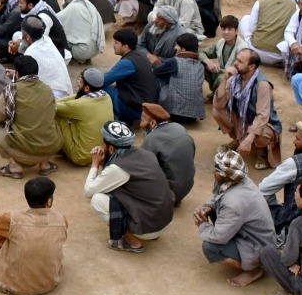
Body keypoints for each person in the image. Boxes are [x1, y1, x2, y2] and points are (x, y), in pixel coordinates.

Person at [86, 120, 174, 253]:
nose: (101, 145)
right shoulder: (145, 154)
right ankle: (148, 233)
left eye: (103, 143)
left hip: (150, 228)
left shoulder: (118, 169)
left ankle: (132, 241)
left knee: (97, 200)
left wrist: (94, 164)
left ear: (111, 148)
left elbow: (89, 191)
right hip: (163, 222)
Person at [193, 149, 277, 286]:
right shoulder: (241, 180)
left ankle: (254, 269)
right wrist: (209, 207)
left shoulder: (233, 202)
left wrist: (202, 224)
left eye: (216, 171)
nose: (214, 173)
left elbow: (218, 237)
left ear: (223, 175)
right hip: (256, 238)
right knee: (214, 211)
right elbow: (220, 197)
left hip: (258, 247)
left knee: (210, 247)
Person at [0, 177, 68, 295]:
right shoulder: (61, 220)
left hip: (12, 286)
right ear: (49, 201)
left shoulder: (13, 219)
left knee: (2, 232)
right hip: (50, 283)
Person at [0, 56, 62, 180]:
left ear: (17, 73)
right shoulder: (47, 89)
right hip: (51, 148)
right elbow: (53, 112)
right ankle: (45, 164)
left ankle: (14, 167)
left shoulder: (11, 90)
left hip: (25, 151)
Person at [213, 49, 282, 170]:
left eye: (240, 61)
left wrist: (249, 140)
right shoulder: (234, 80)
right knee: (217, 112)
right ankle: (238, 140)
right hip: (243, 120)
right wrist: (224, 78)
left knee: (261, 133)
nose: (235, 63)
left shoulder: (263, 85)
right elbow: (218, 104)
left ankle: (262, 151)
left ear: (251, 66)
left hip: (263, 124)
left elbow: (262, 117)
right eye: (236, 59)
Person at [259, 121, 302, 238]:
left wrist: (278, 206)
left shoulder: (294, 163)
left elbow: (263, 190)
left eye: (297, 139)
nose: (294, 142)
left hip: (291, 226)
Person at [139, 103, 197, 206]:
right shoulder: (179, 127)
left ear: (153, 123)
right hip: (186, 187)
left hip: (166, 194)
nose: (141, 124)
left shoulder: (152, 139)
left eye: (143, 120)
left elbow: (141, 168)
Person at [55, 68, 115, 165]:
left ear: (87, 88)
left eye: (81, 82)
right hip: (101, 153)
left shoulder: (80, 105)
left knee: (59, 115)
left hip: (81, 156)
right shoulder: (106, 96)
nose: (78, 84)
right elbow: (77, 96)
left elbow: (53, 106)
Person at [242, 0, 298, 66]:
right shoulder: (294, 5)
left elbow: (251, 29)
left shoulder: (260, 2)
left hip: (257, 52)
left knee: (245, 19)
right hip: (279, 55)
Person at [103, 28, 156, 124]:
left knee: (99, 89)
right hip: (144, 105)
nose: (113, 45)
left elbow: (103, 80)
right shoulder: (140, 57)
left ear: (125, 47)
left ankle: (117, 118)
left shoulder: (127, 63)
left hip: (136, 109)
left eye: (116, 43)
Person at [14, 16, 73, 100]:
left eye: (23, 35)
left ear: (28, 38)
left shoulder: (31, 51)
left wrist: (14, 75)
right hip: (65, 91)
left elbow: (27, 81)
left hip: (54, 97)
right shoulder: (47, 39)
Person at [153, 33, 207, 121]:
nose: (175, 48)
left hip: (175, 114)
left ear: (183, 49)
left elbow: (156, 71)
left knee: (158, 77)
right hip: (194, 115)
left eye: (177, 46)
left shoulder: (174, 62)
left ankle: (156, 108)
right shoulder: (200, 65)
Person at [56, 0, 105, 64]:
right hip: (94, 49)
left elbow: (55, 20)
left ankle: (77, 58)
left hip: (82, 51)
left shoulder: (74, 7)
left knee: (55, 39)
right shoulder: (87, 4)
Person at [202, 15, 246, 91]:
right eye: (223, 29)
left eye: (229, 29)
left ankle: (221, 96)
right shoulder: (221, 42)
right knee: (200, 64)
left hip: (235, 76)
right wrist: (208, 61)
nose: (226, 32)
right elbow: (201, 53)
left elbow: (243, 68)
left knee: (221, 79)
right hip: (221, 72)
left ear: (236, 31)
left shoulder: (243, 48)